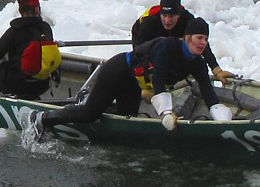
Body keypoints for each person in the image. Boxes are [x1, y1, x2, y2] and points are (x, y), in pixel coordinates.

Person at [31, 18, 233, 140]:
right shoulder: (168, 47)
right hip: (118, 69)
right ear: (188, 38)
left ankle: (93, 101)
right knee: (90, 113)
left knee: (125, 117)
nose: (202, 43)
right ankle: (44, 119)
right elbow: (159, 79)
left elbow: (208, 91)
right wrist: (166, 113)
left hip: (133, 83)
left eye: (206, 39)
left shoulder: (197, 62)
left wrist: (223, 121)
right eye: (199, 38)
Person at [132, 0, 235, 86]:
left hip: (171, 37)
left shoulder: (187, 20)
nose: (167, 20)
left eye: (171, 16)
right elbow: (137, 55)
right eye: (164, 15)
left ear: (179, 14)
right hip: (143, 34)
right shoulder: (149, 22)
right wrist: (144, 86)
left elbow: (201, 43)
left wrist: (216, 70)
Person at [0, 0, 60, 99]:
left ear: (20, 10)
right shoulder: (46, 28)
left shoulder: (15, 31)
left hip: (18, 82)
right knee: (1, 73)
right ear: (38, 9)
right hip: (41, 83)